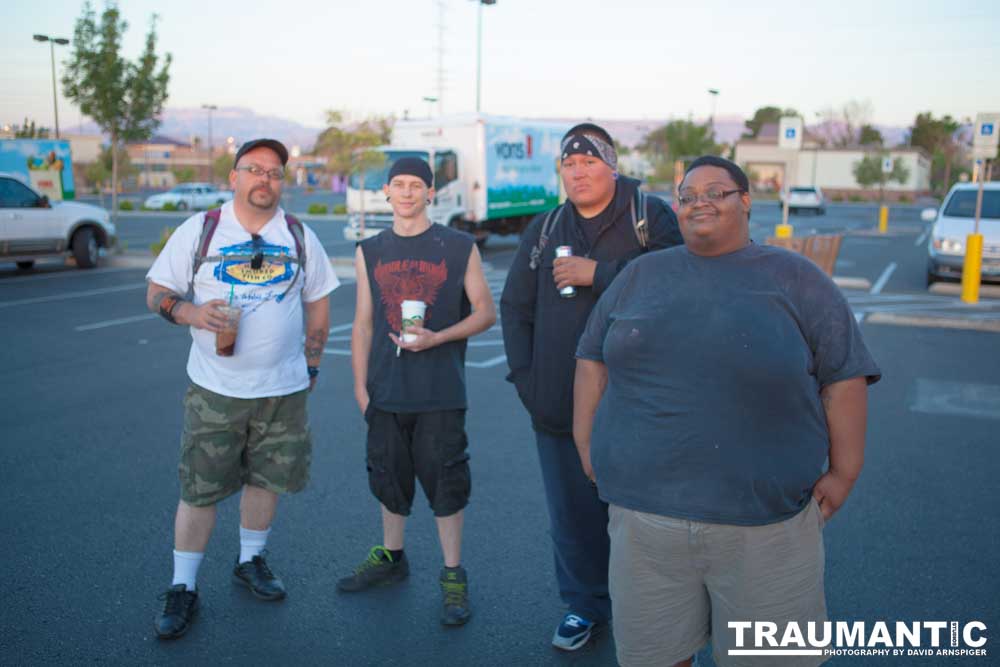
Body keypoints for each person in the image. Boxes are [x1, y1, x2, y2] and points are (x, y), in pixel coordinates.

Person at [573, 155, 882, 667]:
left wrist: (846, 472)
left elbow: (844, 377)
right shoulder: (639, 276)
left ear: (746, 202)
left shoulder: (798, 280)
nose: (700, 203)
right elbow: (591, 359)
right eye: (688, 195)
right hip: (646, 525)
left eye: (716, 192)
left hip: (765, 529)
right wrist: (587, 445)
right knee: (654, 657)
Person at [146, 138, 340, 639]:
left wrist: (312, 365)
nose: (265, 180)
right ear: (234, 177)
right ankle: (183, 585)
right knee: (200, 489)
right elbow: (157, 293)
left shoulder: (298, 235)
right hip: (216, 388)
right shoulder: (203, 230)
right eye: (254, 169)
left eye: (275, 173)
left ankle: (251, 560)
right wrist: (191, 312)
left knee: (266, 480)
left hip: (283, 389)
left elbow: (318, 302)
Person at [500, 123, 683, 650]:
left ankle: (651, 609)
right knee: (573, 516)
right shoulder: (545, 227)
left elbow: (676, 279)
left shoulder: (648, 218)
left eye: (589, 162)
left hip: (640, 401)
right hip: (556, 402)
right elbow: (515, 309)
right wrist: (526, 381)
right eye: (569, 164)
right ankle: (585, 606)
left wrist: (598, 273)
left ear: (612, 164)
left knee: (645, 514)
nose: (578, 172)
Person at [339, 157, 496, 626]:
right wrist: (360, 388)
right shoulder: (370, 249)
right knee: (388, 477)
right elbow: (364, 323)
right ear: (386, 192)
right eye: (399, 185)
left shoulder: (458, 246)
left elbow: (486, 312)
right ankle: (392, 558)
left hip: (441, 391)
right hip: (386, 392)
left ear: (431, 193)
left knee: (446, 483)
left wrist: (438, 337)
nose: (407, 193)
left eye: (417, 186)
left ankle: (452, 573)